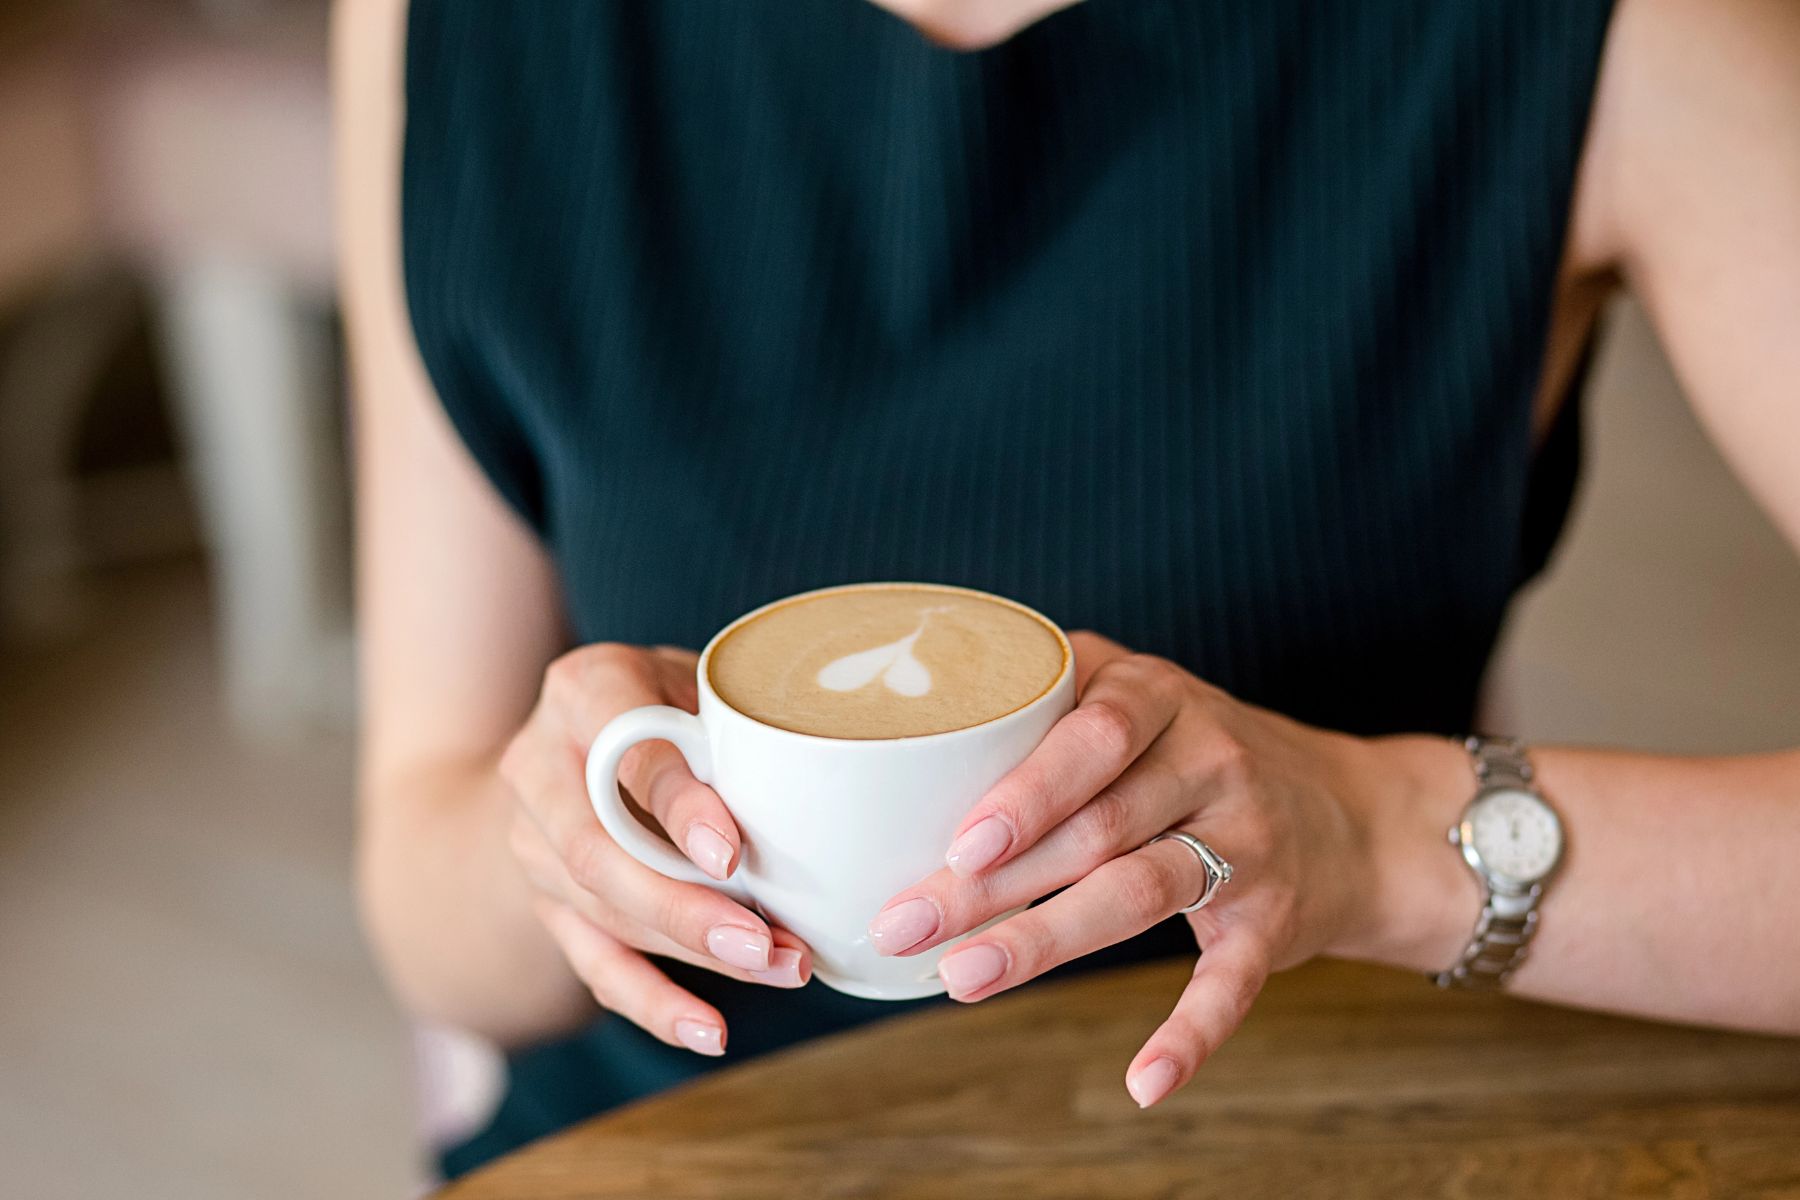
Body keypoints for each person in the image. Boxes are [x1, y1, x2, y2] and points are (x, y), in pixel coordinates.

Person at [336, 0, 1800, 1176]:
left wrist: (1377, 831)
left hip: (1306, 1135)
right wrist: (564, 845)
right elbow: (425, 900)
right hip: (683, 1144)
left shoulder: (1626, 37)